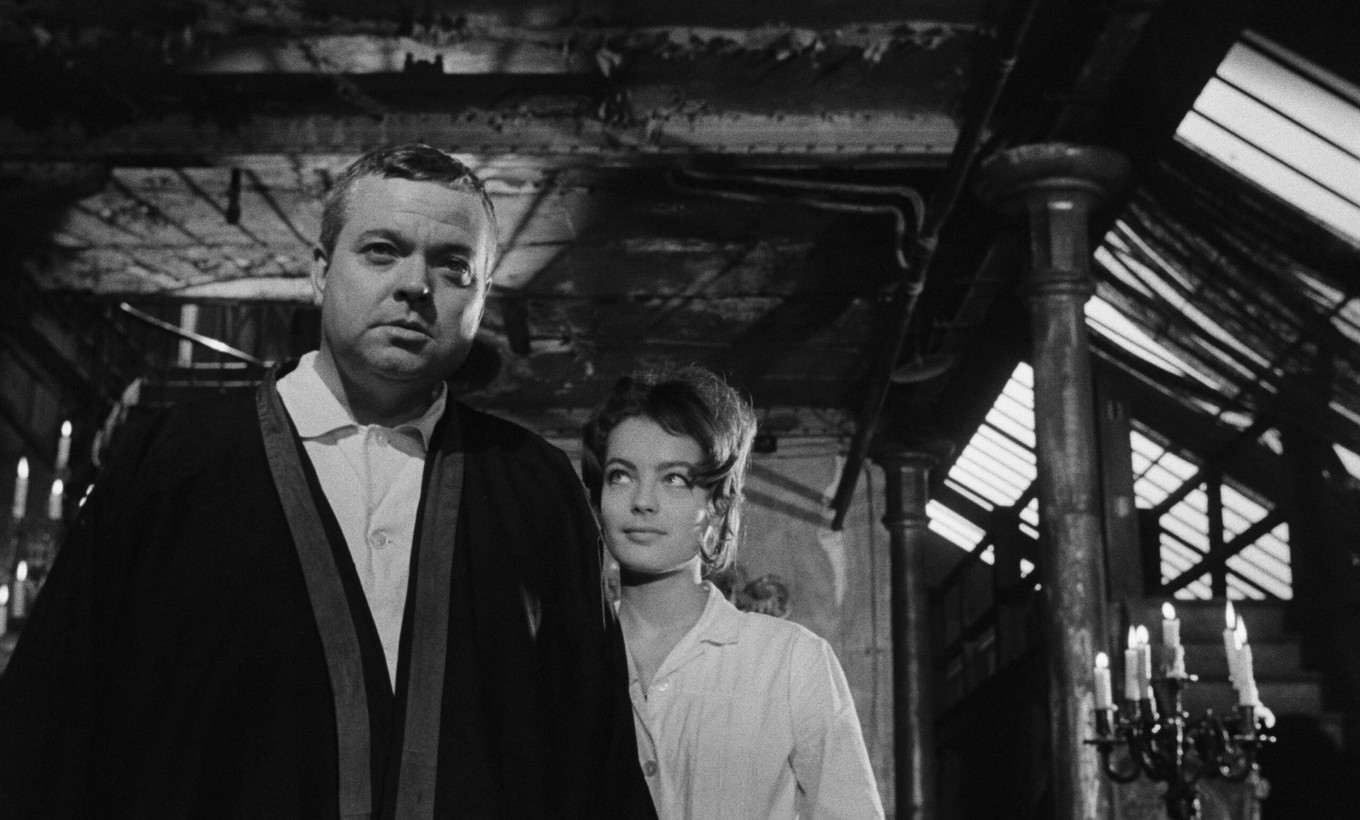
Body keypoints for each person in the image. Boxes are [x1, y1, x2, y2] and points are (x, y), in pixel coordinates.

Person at [0, 144, 654, 819]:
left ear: (482, 298)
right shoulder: (171, 463)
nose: (415, 285)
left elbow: (593, 751)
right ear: (320, 272)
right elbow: (49, 723)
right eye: (381, 251)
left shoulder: (533, 487)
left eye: (453, 266)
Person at [581, 365, 884, 819]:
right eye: (620, 476)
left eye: (674, 479)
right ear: (598, 500)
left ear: (718, 506)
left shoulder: (790, 663)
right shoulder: (565, 659)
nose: (642, 501)